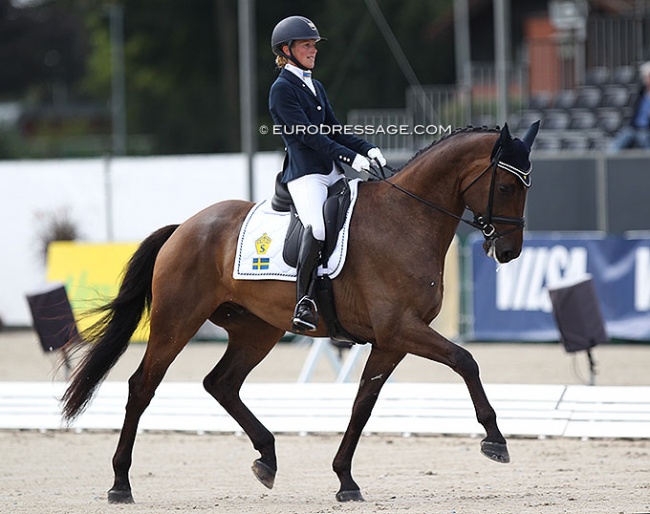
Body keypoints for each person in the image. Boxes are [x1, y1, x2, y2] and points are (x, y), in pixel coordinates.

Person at [269, 15, 386, 332]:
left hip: (332, 171)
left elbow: (334, 130)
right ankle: (303, 301)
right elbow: (309, 136)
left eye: (314, 46)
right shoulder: (282, 90)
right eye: (306, 45)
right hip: (306, 174)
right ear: (287, 49)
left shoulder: (314, 85)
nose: (313, 50)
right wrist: (350, 157)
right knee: (318, 228)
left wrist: (367, 148)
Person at [609, 61, 650, 151]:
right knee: (619, 141)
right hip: (634, 128)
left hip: (647, 129)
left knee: (644, 140)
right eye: (647, 76)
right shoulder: (640, 94)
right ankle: (606, 161)